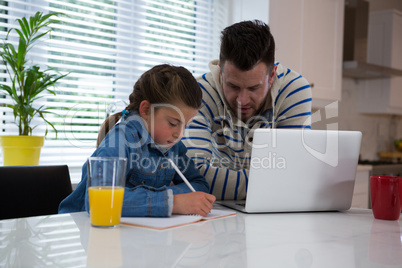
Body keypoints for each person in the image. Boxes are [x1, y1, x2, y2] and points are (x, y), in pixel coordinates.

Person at [59, 64, 216, 217]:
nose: (180, 134)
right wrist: (172, 201)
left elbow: (199, 186)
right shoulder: (120, 140)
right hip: (79, 229)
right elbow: (98, 201)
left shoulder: (172, 146)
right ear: (146, 110)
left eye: (185, 126)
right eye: (173, 123)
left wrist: (171, 198)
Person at [182, 20, 312, 200]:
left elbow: (296, 173)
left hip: (273, 208)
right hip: (218, 208)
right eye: (232, 86)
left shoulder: (294, 90)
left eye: (253, 88)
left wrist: (221, 183)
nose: (242, 100)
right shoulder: (198, 92)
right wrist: (274, 184)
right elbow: (192, 177)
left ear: (272, 75)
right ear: (221, 72)